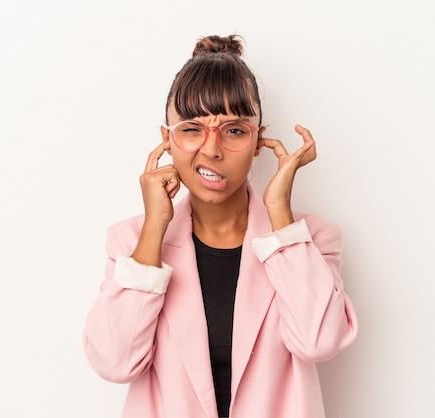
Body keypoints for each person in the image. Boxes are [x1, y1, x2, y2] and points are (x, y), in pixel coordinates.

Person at [83, 34, 358, 418]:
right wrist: (154, 230)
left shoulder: (313, 240)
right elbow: (115, 363)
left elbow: (318, 342)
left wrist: (278, 208)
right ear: (167, 140)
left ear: (258, 140)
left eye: (233, 130)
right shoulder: (130, 241)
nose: (211, 149)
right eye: (192, 129)